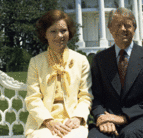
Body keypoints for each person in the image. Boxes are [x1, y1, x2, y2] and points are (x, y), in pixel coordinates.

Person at [88, 7, 143, 138]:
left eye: (128, 25)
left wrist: (124, 118)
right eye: (118, 25)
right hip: (109, 118)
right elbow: (95, 96)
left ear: (134, 28)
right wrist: (101, 116)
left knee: (130, 134)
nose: (123, 29)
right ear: (110, 29)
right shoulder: (99, 59)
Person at [25, 10, 93, 138]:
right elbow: (32, 98)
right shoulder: (36, 62)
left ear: (69, 32)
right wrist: (49, 121)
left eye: (63, 31)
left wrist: (77, 118)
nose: (59, 36)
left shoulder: (81, 60)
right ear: (45, 34)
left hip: (72, 121)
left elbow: (86, 96)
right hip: (43, 123)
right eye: (53, 31)